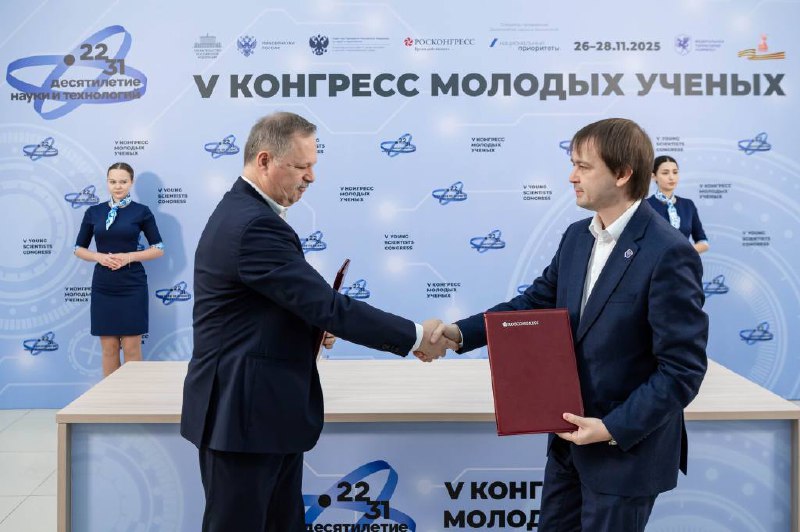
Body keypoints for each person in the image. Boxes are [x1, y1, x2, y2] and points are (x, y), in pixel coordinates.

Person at [180, 112, 455, 532]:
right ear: (265, 160)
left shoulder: (248, 213)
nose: (311, 177)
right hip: (244, 416)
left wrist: (308, 328)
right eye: (301, 166)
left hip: (261, 413)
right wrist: (416, 336)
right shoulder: (253, 225)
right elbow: (329, 307)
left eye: (313, 165)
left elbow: (269, 307)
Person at [431, 118, 708, 531]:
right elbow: (533, 305)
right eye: (572, 164)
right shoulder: (577, 237)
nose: (571, 176)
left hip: (624, 455)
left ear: (622, 173)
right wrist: (459, 334)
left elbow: (682, 370)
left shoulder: (668, 251)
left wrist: (611, 428)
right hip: (567, 448)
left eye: (583, 166)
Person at [74, 162, 164, 377]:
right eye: (113, 181)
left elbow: (158, 248)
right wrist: (99, 257)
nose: (117, 186)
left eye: (123, 181)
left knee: (132, 348)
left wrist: (128, 257)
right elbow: (78, 249)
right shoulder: (94, 212)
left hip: (132, 284)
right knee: (109, 349)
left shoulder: (141, 211)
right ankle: (110, 398)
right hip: (104, 285)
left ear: (131, 182)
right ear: (107, 182)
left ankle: (135, 398)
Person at [647, 155, 709, 254]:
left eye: (675, 172)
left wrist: (683, 252)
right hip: (656, 263)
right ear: (654, 176)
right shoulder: (645, 206)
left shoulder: (688, 205)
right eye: (665, 173)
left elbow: (703, 242)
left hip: (685, 262)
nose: (671, 177)